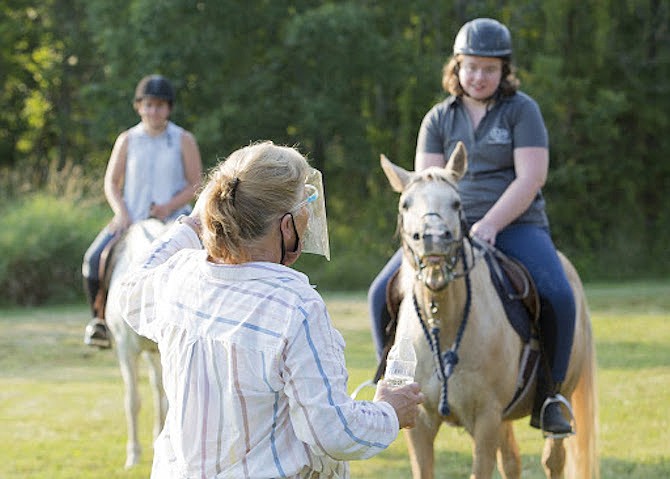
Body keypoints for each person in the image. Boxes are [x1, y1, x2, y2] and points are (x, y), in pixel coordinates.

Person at [117, 141, 424, 478]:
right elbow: (334, 433)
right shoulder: (295, 305)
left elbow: (130, 288)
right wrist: (389, 410)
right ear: (286, 225)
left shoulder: (182, 275)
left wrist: (193, 223)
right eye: (305, 204)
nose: (309, 216)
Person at [368, 18, 576, 436]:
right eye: (471, 67)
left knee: (557, 294)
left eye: (489, 68)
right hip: (446, 230)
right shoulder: (437, 119)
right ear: (456, 68)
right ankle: (389, 383)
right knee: (380, 293)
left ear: (504, 71)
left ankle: (551, 396)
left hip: (516, 225)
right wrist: (443, 227)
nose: (479, 76)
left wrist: (491, 224)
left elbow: (530, 177)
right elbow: (427, 186)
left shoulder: (523, 112)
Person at [82, 74, 203, 349]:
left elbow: (196, 182)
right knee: (92, 260)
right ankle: (99, 322)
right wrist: (121, 212)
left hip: (174, 221)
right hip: (131, 220)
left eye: (160, 105)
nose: (154, 111)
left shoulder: (183, 139)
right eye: (148, 105)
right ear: (138, 106)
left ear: (169, 108)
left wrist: (168, 207)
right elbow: (111, 182)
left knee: (210, 258)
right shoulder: (127, 139)